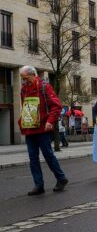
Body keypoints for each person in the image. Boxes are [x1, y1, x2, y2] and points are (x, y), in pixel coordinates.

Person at [18, 65, 68, 196]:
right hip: (30, 128)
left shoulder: (45, 87)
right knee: (32, 157)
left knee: (48, 155)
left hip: (43, 128)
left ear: (34, 75)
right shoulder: (24, 89)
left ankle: (61, 178)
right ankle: (38, 184)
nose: (24, 81)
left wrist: (50, 122)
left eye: (26, 78)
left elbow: (56, 106)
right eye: (22, 79)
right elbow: (25, 107)